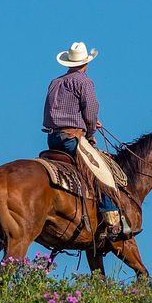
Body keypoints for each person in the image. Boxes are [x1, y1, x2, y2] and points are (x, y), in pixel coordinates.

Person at [42, 41, 129, 241]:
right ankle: (112, 220)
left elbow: (58, 111)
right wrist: (90, 132)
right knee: (101, 172)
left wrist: (82, 121)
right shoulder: (85, 82)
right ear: (86, 63)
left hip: (53, 138)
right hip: (72, 139)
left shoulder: (55, 82)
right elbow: (90, 109)